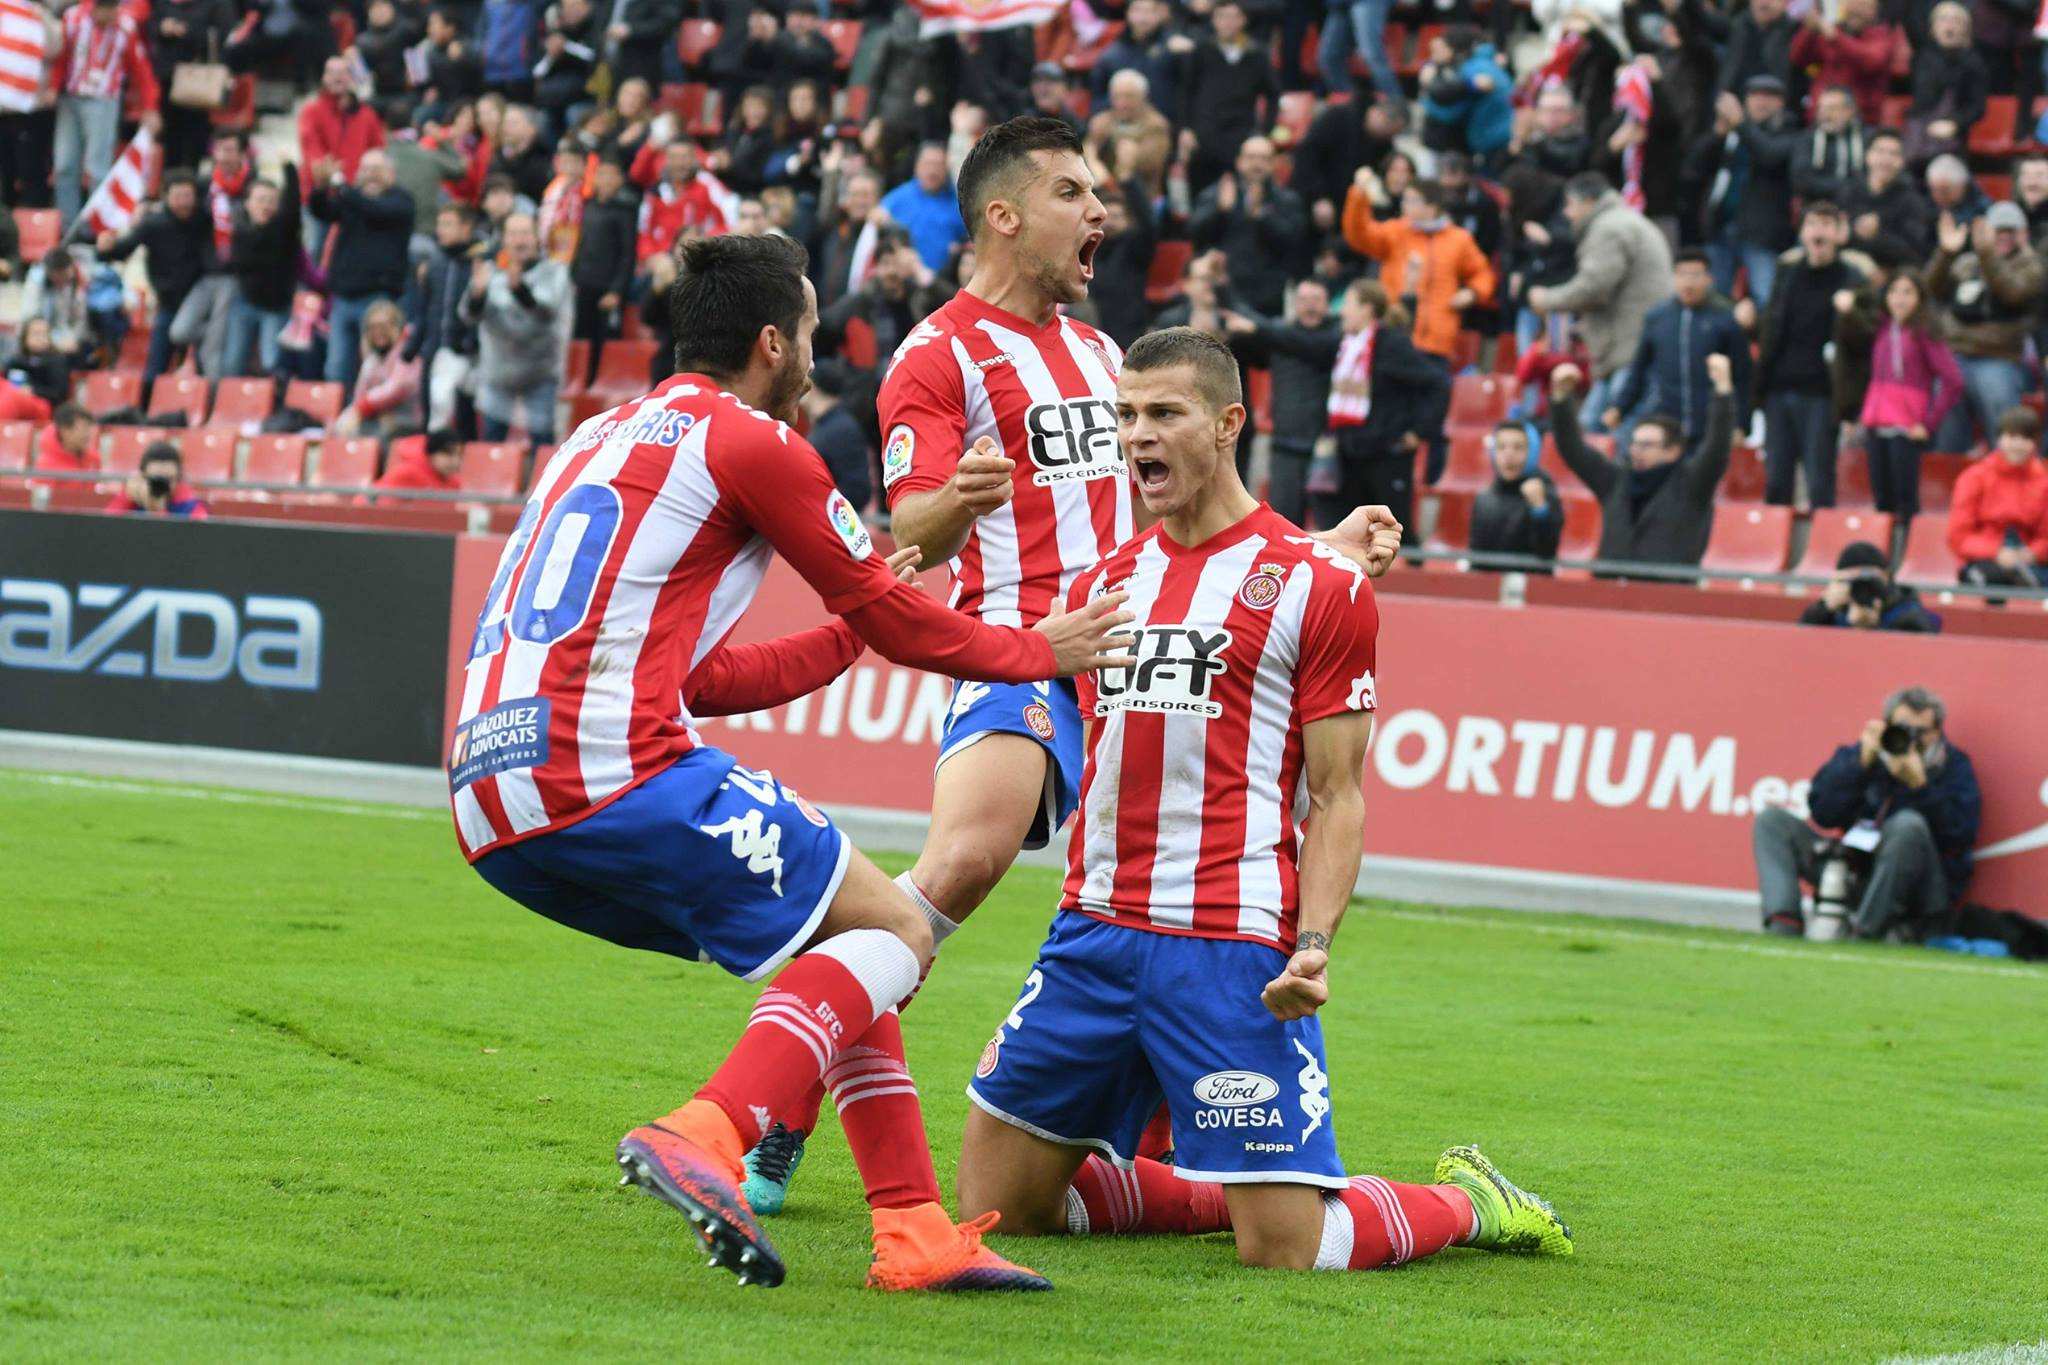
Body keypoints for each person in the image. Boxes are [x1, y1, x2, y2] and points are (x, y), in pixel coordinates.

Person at [744, 117, 1403, 1216]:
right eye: (1072, 192)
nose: (1100, 213)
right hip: (1020, 647)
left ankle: (1144, 1162)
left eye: (1098, 193)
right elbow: (910, 525)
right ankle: (789, 1094)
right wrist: (963, 494)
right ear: (1002, 214)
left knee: (1158, 913)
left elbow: (1190, 529)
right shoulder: (938, 354)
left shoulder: (1104, 359)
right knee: (960, 863)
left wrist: (1320, 549)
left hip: (1134, 662)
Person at [454, 230, 1135, 1293]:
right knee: (900, 929)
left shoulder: (594, 437)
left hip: (490, 801)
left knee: (854, 931)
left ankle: (911, 1230)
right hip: (600, 770)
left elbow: (705, 676)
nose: (820, 350)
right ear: (774, 342)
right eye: (813, 329)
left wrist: (845, 634)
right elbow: (903, 618)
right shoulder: (754, 444)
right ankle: (709, 1133)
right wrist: (1032, 651)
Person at [955, 325, 1575, 1273]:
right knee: (1002, 1210)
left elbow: (1338, 796)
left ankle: (1467, 1202)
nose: (1137, 436)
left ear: (1229, 422)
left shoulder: (1322, 589)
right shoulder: (1104, 584)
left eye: (1165, 413)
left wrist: (1314, 944)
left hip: (1226, 942)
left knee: (1287, 1250)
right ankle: (1216, 1181)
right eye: (1126, 416)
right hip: (1092, 932)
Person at [1752, 688, 1979, 939]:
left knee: (1908, 825)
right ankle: (1783, 923)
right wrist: (1859, 764)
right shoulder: (1866, 754)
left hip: (1916, 889)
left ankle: (1864, 933)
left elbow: (1959, 835)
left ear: (1938, 732)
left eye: (1921, 732)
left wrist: (1920, 786)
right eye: (1903, 728)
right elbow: (1823, 813)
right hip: (1855, 871)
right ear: (1886, 724)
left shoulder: (1954, 767)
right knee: (1771, 821)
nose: (1911, 739)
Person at [1548, 355, 1736, 572]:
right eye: (1634, 444)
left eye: (1647, 445)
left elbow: (1718, 447)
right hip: (1609, 591)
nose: (1636, 451)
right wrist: (1561, 398)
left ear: (1673, 451)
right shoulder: (1615, 480)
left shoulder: (1691, 484)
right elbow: (1573, 449)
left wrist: (1723, 391)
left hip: (1668, 595)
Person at [1528, 173, 1673, 429]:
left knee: (1610, 434)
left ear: (1589, 201)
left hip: (1628, 349)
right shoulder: (1624, 221)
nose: (1567, 213)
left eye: (1570, 204)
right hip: (1628, 346)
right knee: (1592, 428)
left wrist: (1547, 299)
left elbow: (1594, 287)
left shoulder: (1607, 229)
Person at [1754, 203, 1872, 508]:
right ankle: (1774, 546)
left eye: (1826, 224)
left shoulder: (1854, 279)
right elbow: (1772, 327)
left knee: (1819, 480)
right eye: (1811, 224)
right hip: (1779, 389)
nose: (1818, 231)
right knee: (1777, 481)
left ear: (1840, 234)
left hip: (1822, 394)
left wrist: (1851, 314)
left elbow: (1867, 338)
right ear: (1802, 233)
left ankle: (1822, 549)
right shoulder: (1786, 273)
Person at [1321, 278, 1451, 533]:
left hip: (1387, 455)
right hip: (1351, 453)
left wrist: (1420, 431)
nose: (1342, 311)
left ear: (1367, 309)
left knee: (1393, 531)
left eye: (1348, 304)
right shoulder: (1345, 345)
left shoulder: (1391, 344)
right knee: (1354, 536)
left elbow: (1438, 383)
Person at [1340, 169, 1496, 365]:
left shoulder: (1459, 239)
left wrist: (1472, 293)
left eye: (1412, 201)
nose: (1404, 206)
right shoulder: (1396, 231)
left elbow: (1483, 273)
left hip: (1438, 342)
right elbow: (1358, 235)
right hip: (1396, 335)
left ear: (1431, 207)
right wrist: (1359, 195)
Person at [1605, 250, 1752, 452]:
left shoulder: (1725, 320)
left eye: (1695, 275)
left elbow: (1743, 377)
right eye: (1682, 274)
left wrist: (1741, 424)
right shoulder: (1658, 318)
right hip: (1667, 425)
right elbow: (1639, 368)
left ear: (1709, 279)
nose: (1688, 283)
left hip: (1710, 426)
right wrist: (1620, 407)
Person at [1221, 278, 1340, 527]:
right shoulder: (1280, 337)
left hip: (1326, 447)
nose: (1310, 307)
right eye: (1304, 300)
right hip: (1284, 444)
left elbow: (1305, 343)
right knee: (1285, 523)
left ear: (1328, 305)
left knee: (1331, 525)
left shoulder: (1336, 338)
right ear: (1295, 304)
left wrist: (1257, 328)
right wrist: (1222, 289)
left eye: (1316, 301)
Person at [1927, 205, 2045, 453]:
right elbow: (1929, 291)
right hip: (1955, 354)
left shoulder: (2031, 266)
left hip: (1999, 358)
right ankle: (1951, 478)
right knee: (1945, 415)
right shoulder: (1968, 262)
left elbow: (2013, 293)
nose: (2003, 236)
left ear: (2023, 234)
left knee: (2001, 412)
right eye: (1997, 231)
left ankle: (2005, 474)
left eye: (2009, 231)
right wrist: (1946, 253)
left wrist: (1987, 255)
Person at [1848, 270, 1962, 521]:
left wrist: (1929, 423)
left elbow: (1953, 380)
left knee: (1905, 499)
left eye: (1907, 292)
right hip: (1876, 420)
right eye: (1894, 291)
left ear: (1920, 298)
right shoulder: (1880, 328)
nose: (1899, 299)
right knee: (1881, 497)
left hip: (1907, 424)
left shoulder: (1925, 332)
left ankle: (1907, 553)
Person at [311, 150, 416, 392]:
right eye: (365, 169)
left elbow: (374, 210)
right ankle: (337, 420)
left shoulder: (401, 200)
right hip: (343, 296)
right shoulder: (352, 198)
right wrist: (321, 187)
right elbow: (323, 211)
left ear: (391, 173)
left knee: (375, 366)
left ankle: (369, 418)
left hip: (377, 298)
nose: (370, 176)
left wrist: (340, 184)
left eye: (376, 170)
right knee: (336, 367)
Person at [50, 0, 160, 228]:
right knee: (64, 164)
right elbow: (61, 57)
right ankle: (67, 226)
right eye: (105, 11)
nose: (109, 17)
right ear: (94, 7)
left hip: (103, 100)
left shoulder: (125, 27)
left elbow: (141, 68)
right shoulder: (73, 19)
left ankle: (95, 227)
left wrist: (151, 106)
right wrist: (53, 87)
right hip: (70, 98)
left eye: (114, 10)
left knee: (97, 166)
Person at [461, 212, 568, 445]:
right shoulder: (489, 272)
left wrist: (520, 290)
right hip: (497, 375)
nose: (519, 241)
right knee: (491, 444)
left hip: (540, 374)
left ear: (537, 237)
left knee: (543, 443)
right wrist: (477, 296)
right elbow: (468, 316)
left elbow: (548, 310)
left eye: (525, 233)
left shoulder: (555, 271)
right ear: (503, 239)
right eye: (513, 234)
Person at [97, 172, 213, 387]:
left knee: (204, 366)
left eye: (188, 196)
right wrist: (105, 249)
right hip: (167, 303)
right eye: (177, 196)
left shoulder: (205, 220)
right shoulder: (153, 224)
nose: (183, 203)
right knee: (155, 369)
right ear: (166, 197)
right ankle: (146, 409)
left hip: (199, 305)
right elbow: (124, 248)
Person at [1188, 135, 1307, 320]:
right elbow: (1194, 233)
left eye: (1264, 159)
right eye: (1251, 158)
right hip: (1220, 289)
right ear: (1239, 161)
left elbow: (1294, 241)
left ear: (1274, 163)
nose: (1257, 164)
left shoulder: (1287, 200)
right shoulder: (1218, 194)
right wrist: (1219, 211)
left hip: (1267, 295)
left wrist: (1262, 216)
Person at [1947, 406, 2048, 590]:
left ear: (2035, 443)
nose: (2017, 444)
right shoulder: (1974, 477)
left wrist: (2031, 553)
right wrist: (1996, 552)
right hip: (1984, 562)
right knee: (1988, 580)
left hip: (2033, 563)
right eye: (2011, 436)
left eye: (2026, 438)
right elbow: (1958, 536)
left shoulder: (2044, 483)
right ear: (1999, 439)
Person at [224, 173, 301, 377]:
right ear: (247, 204)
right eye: (260, 200)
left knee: (272, 362)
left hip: (275, 306)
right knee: (232, 362)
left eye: (271, 201)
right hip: (245, 302)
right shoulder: (240, 231)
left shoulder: (284, 230)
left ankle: (275, 404)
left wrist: (289, 171)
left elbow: (293, 209)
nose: (266, 206)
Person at [570, 156, 637, 388]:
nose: (606, 179)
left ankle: (594, 384)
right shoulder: (589, 206)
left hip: (606, 286)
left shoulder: (624, 211)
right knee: (579, 335)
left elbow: (628, 254)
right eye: (601, 174)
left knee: (602, 340)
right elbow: (580, 245)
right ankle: (577, 383)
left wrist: (616, 290)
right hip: (583, 282)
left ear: (620, 179)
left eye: (611, 174)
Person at [1470, 422, 1563, 568]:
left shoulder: (1546, 495)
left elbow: (1547, 553)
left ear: (1533, 452)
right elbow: (1476, 558)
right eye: (1501, 447)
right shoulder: (1484, 499)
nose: (1509, 455)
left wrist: (1541, 510)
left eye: (1518, 448)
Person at [1798, 541, 1942, 631]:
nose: (1862, 588)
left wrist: (1876, 627)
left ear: (1886, 579)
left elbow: (1922, 644)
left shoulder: (1907, 611)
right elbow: (1801, 647)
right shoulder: (1832, 614)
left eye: (1870, 582)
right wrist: (1823, 607)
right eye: (1853, 582)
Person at [335, 301, 422, 439]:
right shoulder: (371, 361)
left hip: (408, 419)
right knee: (342, 430)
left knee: (380, 434)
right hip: (378, 419)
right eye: (372, 327)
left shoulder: (409, 352)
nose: (378, 332)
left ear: (397, 327)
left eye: (384, 326)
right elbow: (359, 396)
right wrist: (348, 416)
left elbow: (398, 387)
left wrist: (362, 408)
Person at [879, 144, 966, 276]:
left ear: (947, 168)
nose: (932, 171)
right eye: (927, 164)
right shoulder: (898, 197)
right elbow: (876, 216)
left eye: (938, 165)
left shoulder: (958, 202)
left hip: (942, 282)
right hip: (904, 281)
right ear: (917, 166)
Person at [799, 358, 871, 510]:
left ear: (814, 387)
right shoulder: (828, 426)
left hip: (831, 521)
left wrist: (818, 505)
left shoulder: (842, 429)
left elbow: (858, 490)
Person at [106, 441, 210, 518]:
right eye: (155, 479)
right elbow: (106, 527)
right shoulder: (131, 497)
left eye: (169, 479)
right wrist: (127, 496)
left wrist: (157, 511)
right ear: (143, 476)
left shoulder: (190, 507)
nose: (162, 485)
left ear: (178, 478)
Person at [369, 428, 463, 500]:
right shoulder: (406, 473)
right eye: (447, 453)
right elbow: (370, 499)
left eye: (459, 455)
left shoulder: (455, 483)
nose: (456, 461)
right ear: (431, 453)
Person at [34, 403, 99, 472]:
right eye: (83, 428)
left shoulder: (93, 459)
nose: (88, 434)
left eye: (88, 428)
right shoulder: (46, 468)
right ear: (65, 430)